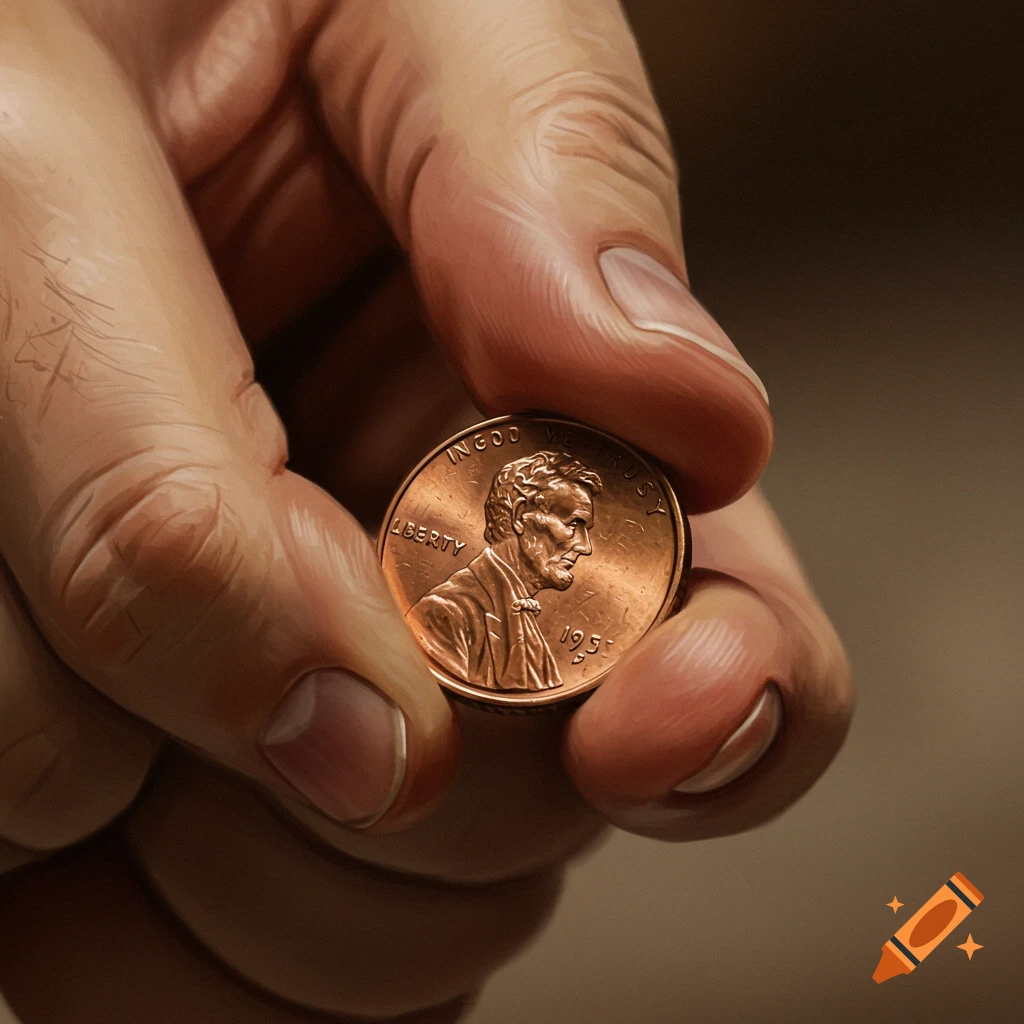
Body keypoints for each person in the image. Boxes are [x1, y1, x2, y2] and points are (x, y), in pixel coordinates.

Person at [0, 1, 852, 1021]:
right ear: (501, 518)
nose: (581, 539)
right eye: (561, 519)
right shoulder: (451, 617)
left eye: (586, 526)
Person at [409, 451, 601, 691]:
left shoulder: (520, 611)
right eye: (573, 524)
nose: (585, 547)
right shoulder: (444, 613)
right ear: (520, 516)